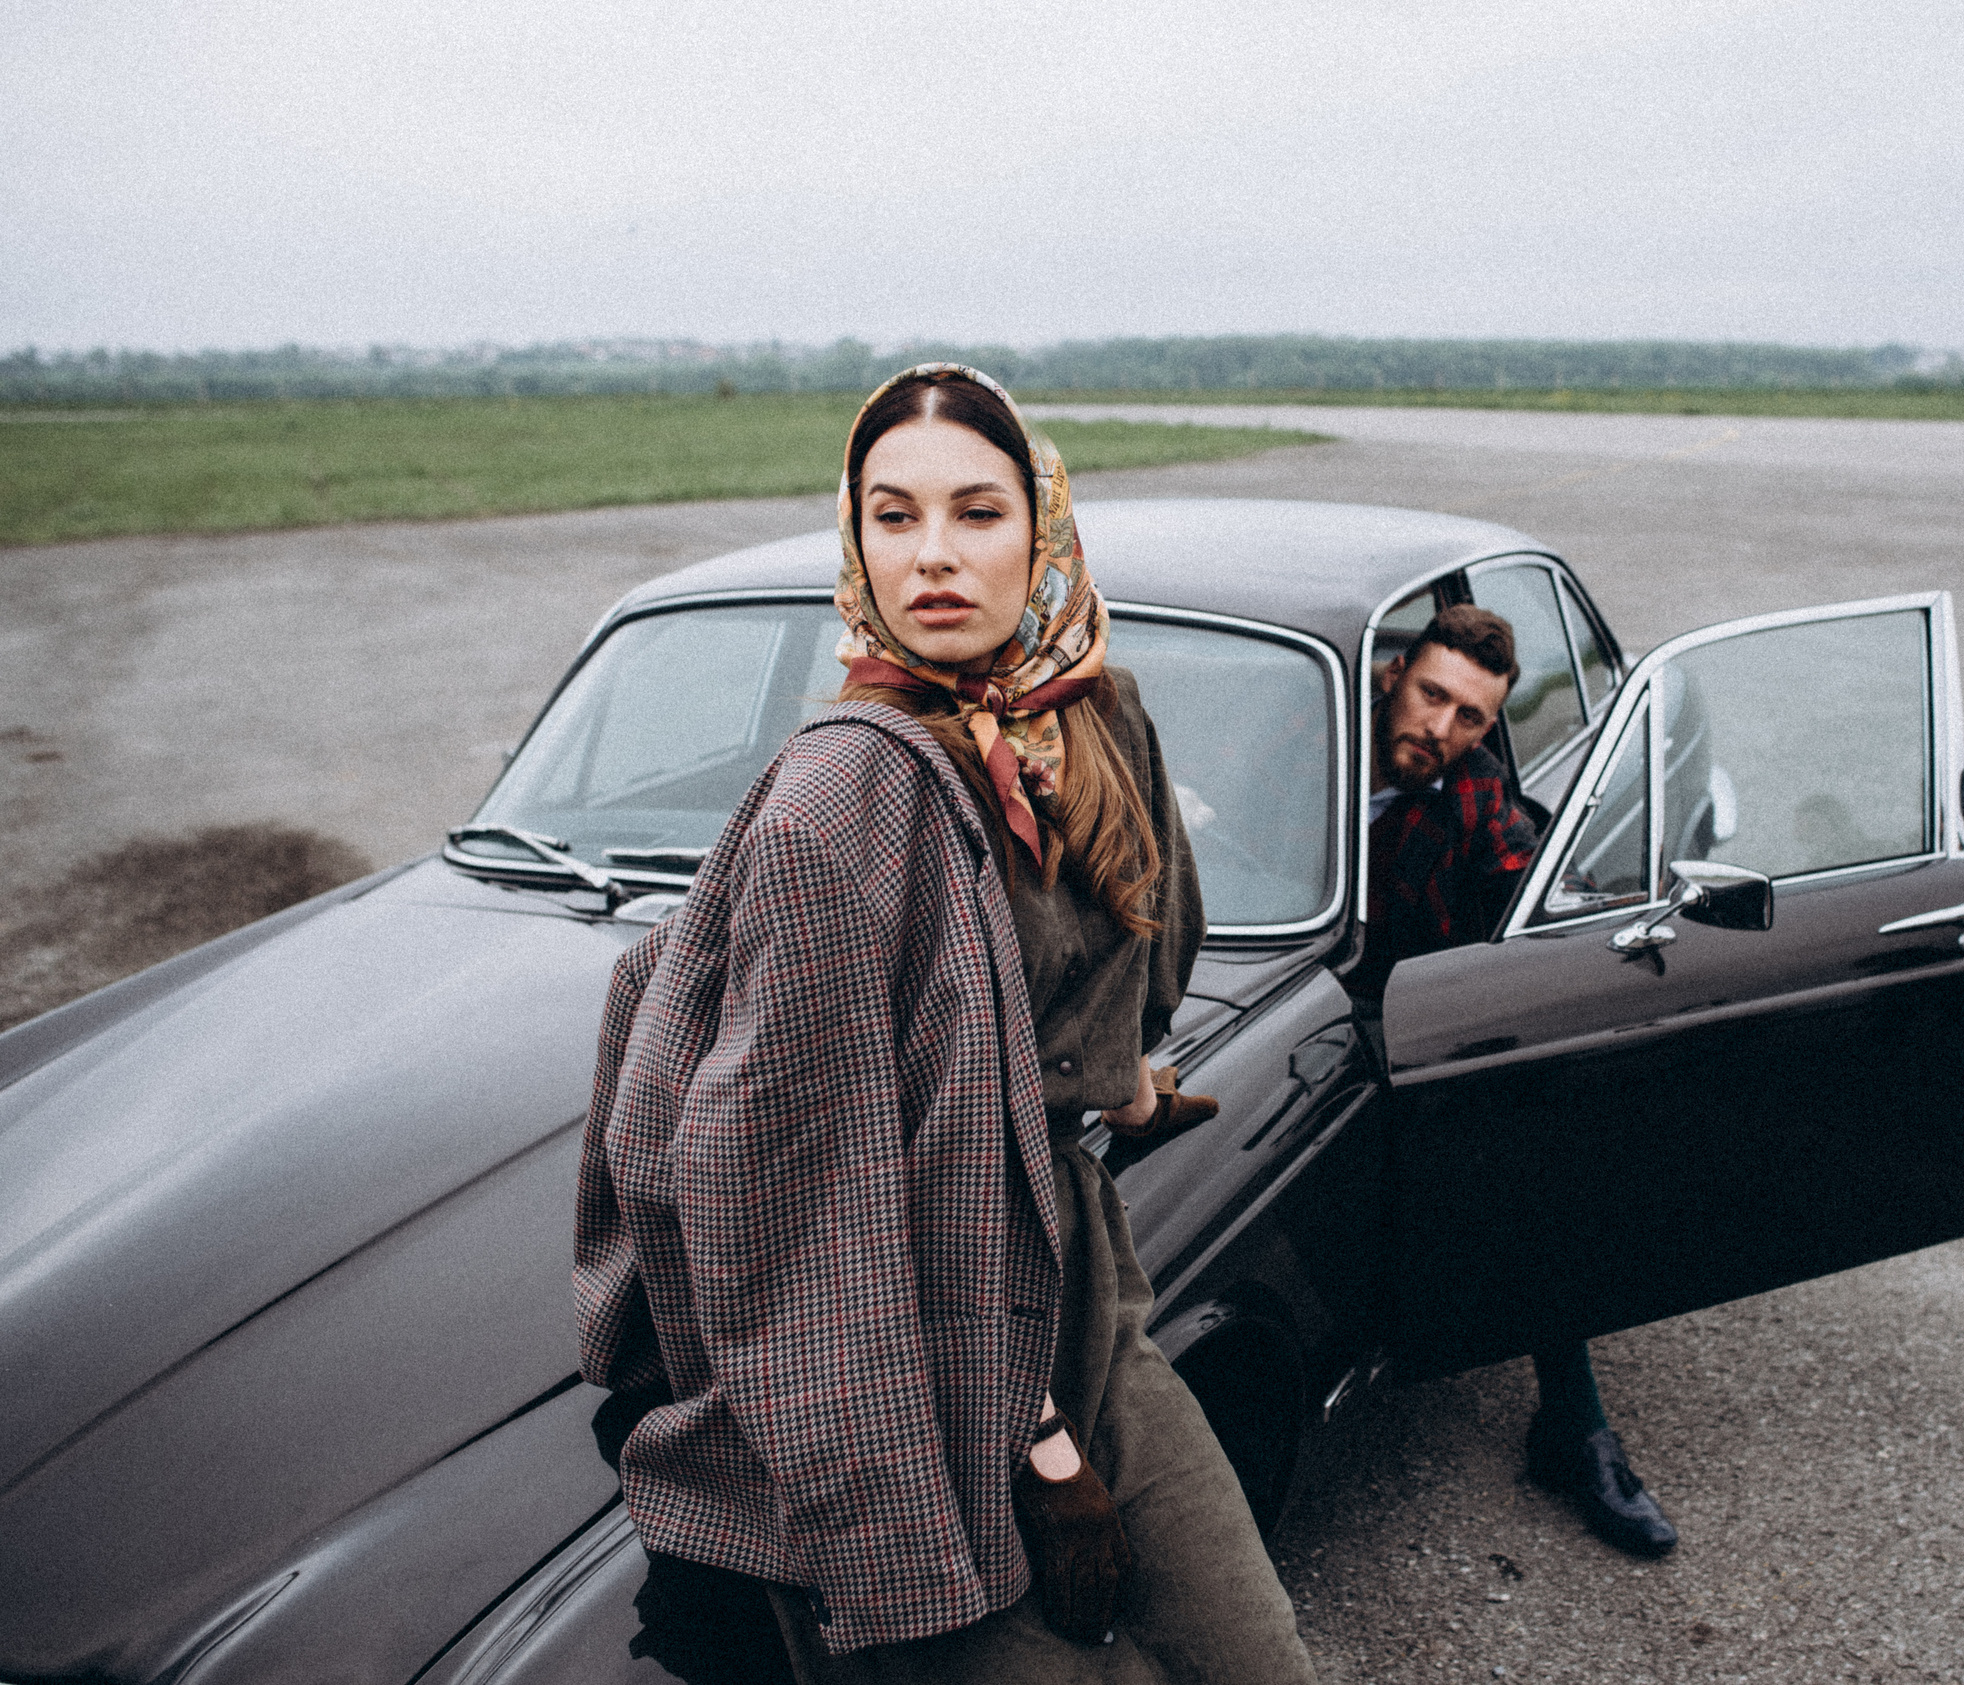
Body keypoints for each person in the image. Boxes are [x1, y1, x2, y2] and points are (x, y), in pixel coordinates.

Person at [574, 364, 1319, 1684]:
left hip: (1082, 1281)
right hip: (933, 1343)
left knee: (1259, 1661)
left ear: (1042, 530)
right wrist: (1033, 1442)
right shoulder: (841, 811)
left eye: (977, 513)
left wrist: (1115, 1084)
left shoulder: (1096, 717)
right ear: (853, 543)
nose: (934, 556)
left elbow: (1114, 981)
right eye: (892, 515)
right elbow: (794, 1205)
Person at [1345, 604, 1679, 1560]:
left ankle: (1576, 1431)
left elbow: (1523, 893)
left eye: (1471, 718)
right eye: (1431, 697)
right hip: (1281, 1001)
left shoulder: (1476, 796)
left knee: (1536, 1151)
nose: (1441, 732)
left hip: (1408, 1023)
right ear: (1393, 675)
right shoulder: (1308, 736)